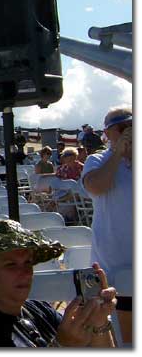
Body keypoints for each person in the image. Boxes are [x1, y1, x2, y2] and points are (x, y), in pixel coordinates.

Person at [0, 220, 117, 347]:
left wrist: (99, 323)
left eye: (28, 263)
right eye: (11, 265)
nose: (24, 273)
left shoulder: (40, 311)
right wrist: (62, 346)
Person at [81, 106, 132, 345]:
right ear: (107, 133)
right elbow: (96, 186)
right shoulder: (98, 159)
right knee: (124, 340)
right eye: (120, 129)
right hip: (112, 266)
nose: (127, 133)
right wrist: (118, 153)